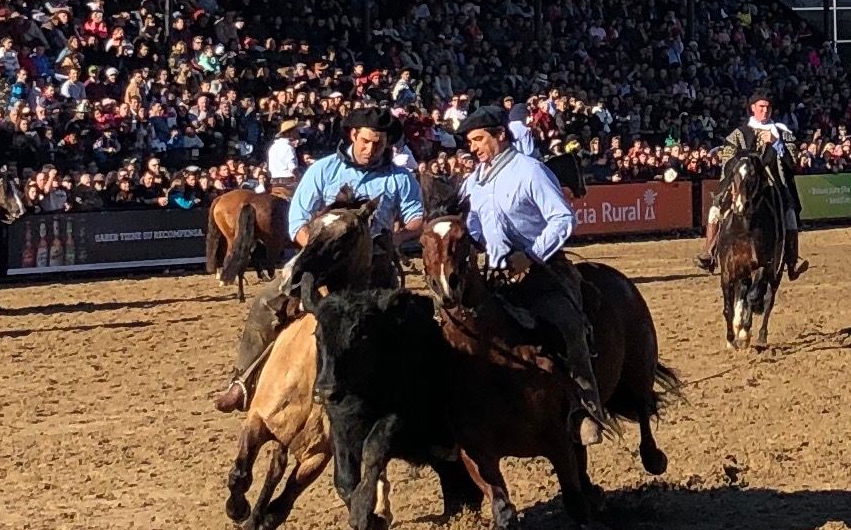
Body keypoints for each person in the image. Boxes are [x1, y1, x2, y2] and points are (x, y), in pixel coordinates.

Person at [215, 107, 424, 412]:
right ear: (354, 135)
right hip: (319, 261)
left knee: (402, 321)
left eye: (378, 144)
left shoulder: (400, 178)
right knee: (266, 302)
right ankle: (242, 380)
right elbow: (297, 221)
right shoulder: (323, 170)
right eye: (366, 141)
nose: (370, 149)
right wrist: (317, 251)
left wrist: (398, 237)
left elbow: (416, 219)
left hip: (374, 263)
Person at [455, 106, 607, 446]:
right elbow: (472, 228)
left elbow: (563, 218)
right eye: (470, 142)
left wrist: (531, 255)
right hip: (493, 274)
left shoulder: (530, 170)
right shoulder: (471, 183)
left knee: (567, 325)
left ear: (500, 135)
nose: (473, 148)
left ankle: (585, 408)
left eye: (478, 139)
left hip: (543, 271)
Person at [695, 93, 809, 280]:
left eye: (768, 107)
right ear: (753, 108)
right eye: (761, 107)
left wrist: (775, 143)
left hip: (773, 183)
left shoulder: (782, 134)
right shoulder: (738, 134)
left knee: (789, 212)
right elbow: (727, 161)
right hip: (742, 183)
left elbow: (792, 162)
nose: (765, 111)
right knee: (715, 209)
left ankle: (792, 259)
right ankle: (710, 251)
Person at [266, 119, 301, 190]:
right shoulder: (288, 148)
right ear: (289, 133)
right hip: (287, 182)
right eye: (295, 131)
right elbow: (293, 169)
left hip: (275, 182)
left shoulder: (273, 147)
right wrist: (300, 178)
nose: (298, 133)